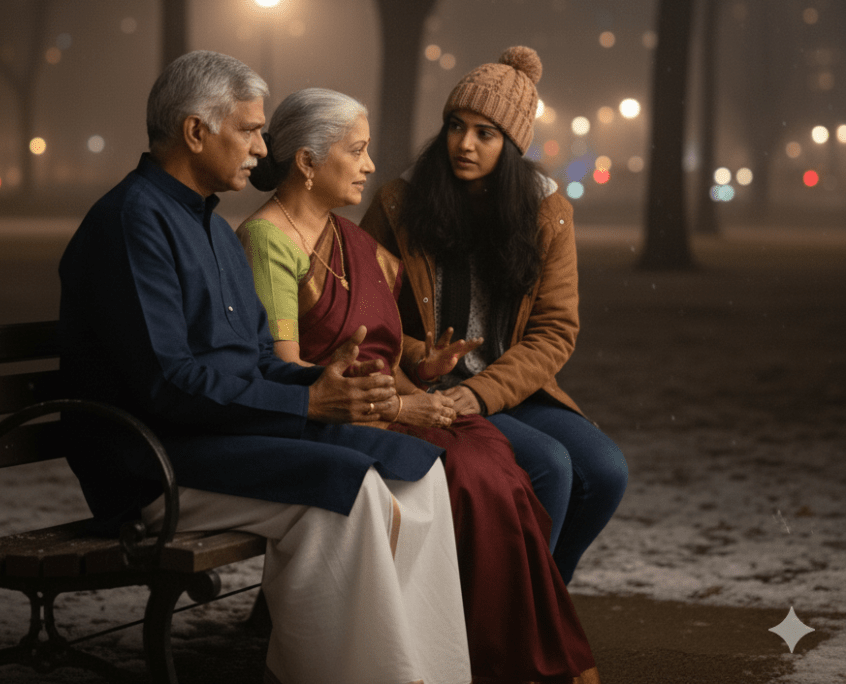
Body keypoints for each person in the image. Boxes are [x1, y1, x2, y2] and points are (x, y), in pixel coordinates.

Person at [58, 52, 471, 684]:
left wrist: (320, 382)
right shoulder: (131, 223)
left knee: (420, 472)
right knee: (353, 488)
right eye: (249, 130)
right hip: (154, 463)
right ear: (196, 133)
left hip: (223, 434)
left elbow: (252, 361)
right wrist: (307, 405)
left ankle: (431, 672)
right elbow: (164, 383)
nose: (262, 144)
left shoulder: (215, 229)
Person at [237, 87, 600, 684]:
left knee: (522, 464)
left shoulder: (343, 237)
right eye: (357, 151)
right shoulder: (279, 238)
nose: (372, 164)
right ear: (307, 162)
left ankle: (510, 632)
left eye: (486, 133)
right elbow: (293, 367)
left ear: (512, 146)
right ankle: (496, 640)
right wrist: (412, 396)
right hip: (350, 409)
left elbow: (380, 332)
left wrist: (421, 363)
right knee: (501, 468)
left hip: (434, 391)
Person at [360, 46, 628, 585]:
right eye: (456, 126)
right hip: (426, 389)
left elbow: (555, 331)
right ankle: (507, 620)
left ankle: (539, 602)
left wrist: (481, 393)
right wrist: (422, 360)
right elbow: (366, 313)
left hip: (510, 388)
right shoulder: (400, 204)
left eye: (486, 133)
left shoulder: (545, 213)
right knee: (549, 465)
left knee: (604, 472)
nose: (464, 144)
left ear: (512, 145)